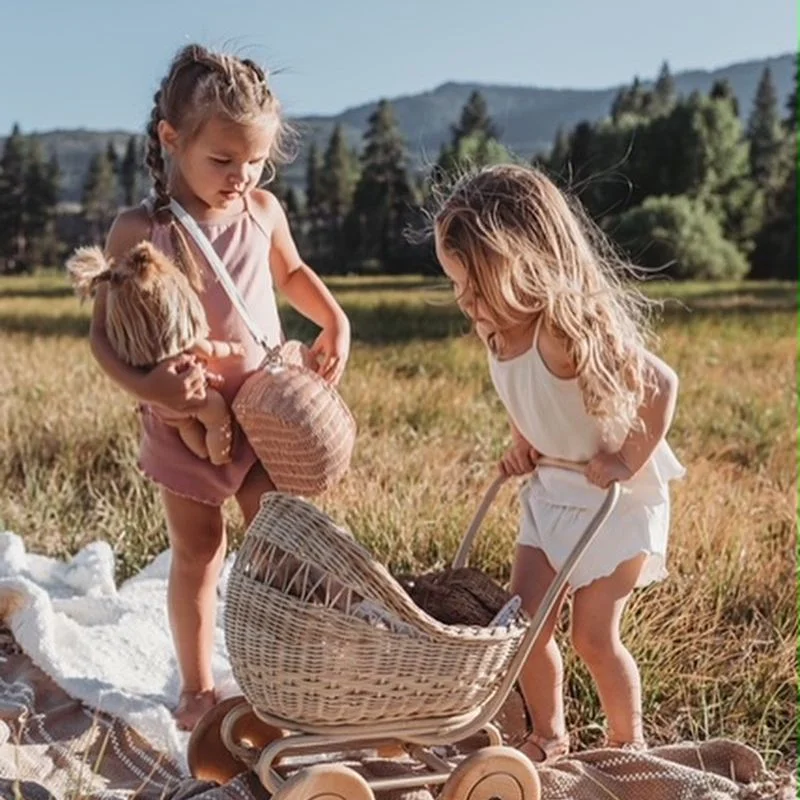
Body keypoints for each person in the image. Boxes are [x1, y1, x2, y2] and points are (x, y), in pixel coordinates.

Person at [89, 43, 351, 730]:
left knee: (280, 542)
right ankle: (198, 686)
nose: (241, 175)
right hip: (182, 426)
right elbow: (103, 338)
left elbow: (290, 274)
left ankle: (301, 664)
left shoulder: (261, 211)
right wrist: (157, 393)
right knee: (200, 553)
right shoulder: (142, 233)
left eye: (255, 160)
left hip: (264, 416)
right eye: (223, 160)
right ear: (171, 140)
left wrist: (334, 318)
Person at [432, 164, 684, 762]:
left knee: (593, 637)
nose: (466, 301)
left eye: (475, 286)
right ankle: (549, 736)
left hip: (610, 504)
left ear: (526, 265)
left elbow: (661, 384)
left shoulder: (564, 334)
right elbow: (528, 396)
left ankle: (628, 744)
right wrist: (523, 440)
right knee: (525, 630)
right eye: (457, 286)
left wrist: (625, 459)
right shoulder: (497, 331)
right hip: (552, 491)